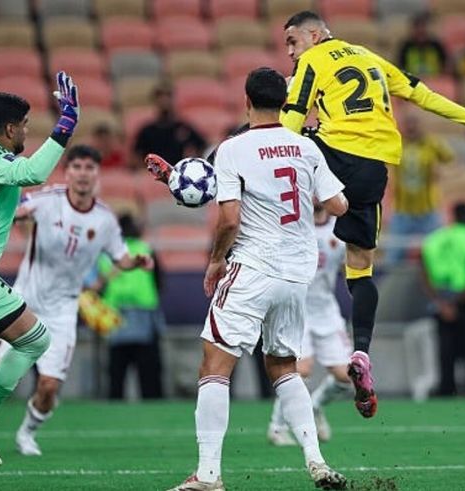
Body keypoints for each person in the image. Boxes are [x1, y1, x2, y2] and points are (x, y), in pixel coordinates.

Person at [280, 10, 465, 418]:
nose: (290, 51)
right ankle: (361, 351)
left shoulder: (312, 61)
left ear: (315, 35)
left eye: (293, 41)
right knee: (360, 266)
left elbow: (289, 125)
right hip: (374, 169)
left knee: (277, 152)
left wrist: (252, 142)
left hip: (333, 153)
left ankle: (226, 188)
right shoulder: (371, 58)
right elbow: (424, 96)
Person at [147, 67, 349, 491]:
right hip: (297, 274)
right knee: (283, 367)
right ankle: (316, 461)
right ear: (285, 103)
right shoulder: (305, 146)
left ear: (246, 101)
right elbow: (338, 205)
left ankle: (208, 476)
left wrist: (216, 260)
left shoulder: (232, 149)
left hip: (254, 267)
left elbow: (229, 219)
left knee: (214, 365)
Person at [0, 145, 153, 457]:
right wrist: (9, 215)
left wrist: (135, 262)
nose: (83, 174)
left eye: (89, 168)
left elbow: (120, 257)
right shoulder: (46, 200)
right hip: (24, 302)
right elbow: (14, 209)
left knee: (49, 387)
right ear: (67, 172)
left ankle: (27, 433)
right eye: (77, 167)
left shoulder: (105, 219)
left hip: (63, 310)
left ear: (97, 174)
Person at [0, 43, 79, 465]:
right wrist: (66, 125)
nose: (28, 132)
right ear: (10, 129)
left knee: (34, 340)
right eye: (26, 126)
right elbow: (33, 172)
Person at [267, 202, 352, 446]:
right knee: (300, 370)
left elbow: (351, 266)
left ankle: (314, 406)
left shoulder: (340, 230)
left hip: (326, 310)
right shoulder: (293, 225)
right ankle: (277, 427)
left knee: (347, 377)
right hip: (296, 308)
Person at [420, 202, 465, 396]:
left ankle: (446, 388)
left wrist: (440, 303)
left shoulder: (434, 239)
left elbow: (424, 273)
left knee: (445, 349)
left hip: (441, 300)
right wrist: (457, 303)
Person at [99, 213, 165, 400]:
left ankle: (115, 406)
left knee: (116, 374)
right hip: (144, 316)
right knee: (149, 376)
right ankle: (153, 408)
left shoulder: (107, 255)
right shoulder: (146, 249)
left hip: (115, 317)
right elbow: (159, 281)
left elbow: (100, 286)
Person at [386, 110, 454, 265]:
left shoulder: (433, 144)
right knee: (394, 255)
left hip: (428, 210)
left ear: (422, 124)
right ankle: (390, 280)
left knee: (439, 252)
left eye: (415, 122)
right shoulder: (395, 143)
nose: (411, 126)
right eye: (408, 123)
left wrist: (442, 172)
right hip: (402, 209)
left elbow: (453, 163)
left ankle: (441, 278)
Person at [133, 82, 206, 169]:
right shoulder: (147, 131)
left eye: (168, 96)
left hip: (178, 172)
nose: (164, 100)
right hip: (155, 174)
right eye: (160, 96)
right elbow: (136, 155)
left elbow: (202, 146)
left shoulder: (184, 128)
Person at [397, 12, 449, 77]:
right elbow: (401, 67)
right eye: (418, 28)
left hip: (435, 79)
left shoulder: (436, 46)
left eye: (422, 28)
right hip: (413, 79)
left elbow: (445, 66)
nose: (420, 31)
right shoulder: (406, 47)